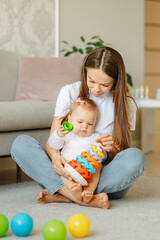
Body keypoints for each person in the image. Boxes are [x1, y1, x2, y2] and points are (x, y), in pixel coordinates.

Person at [11, 46, 145, 210]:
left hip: (98, 174)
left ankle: (63, 194)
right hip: (67, 172)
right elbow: (52, 143)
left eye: (105, 84)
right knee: (20, 144)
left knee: (136, 157)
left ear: (116, 80)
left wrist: (112, 150)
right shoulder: (70, 92)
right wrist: (55, 159)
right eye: (92, 81)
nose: (96, 89)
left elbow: (121, 155)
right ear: (85, 73)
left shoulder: (126, 105)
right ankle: (82, 198)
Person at [48, 96, 107, 203]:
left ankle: (88, 191)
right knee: (62, 170)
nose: (85, 126)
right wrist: (58, 135)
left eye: (90, 124)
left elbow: (101, 151)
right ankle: (74, 190)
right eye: (80, 122)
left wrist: (101, 149)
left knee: (99, 167)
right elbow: (54, 145)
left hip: (87, 170)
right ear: (70, 120)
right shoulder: (67, 135)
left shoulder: (94, 137)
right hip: (70, 169)